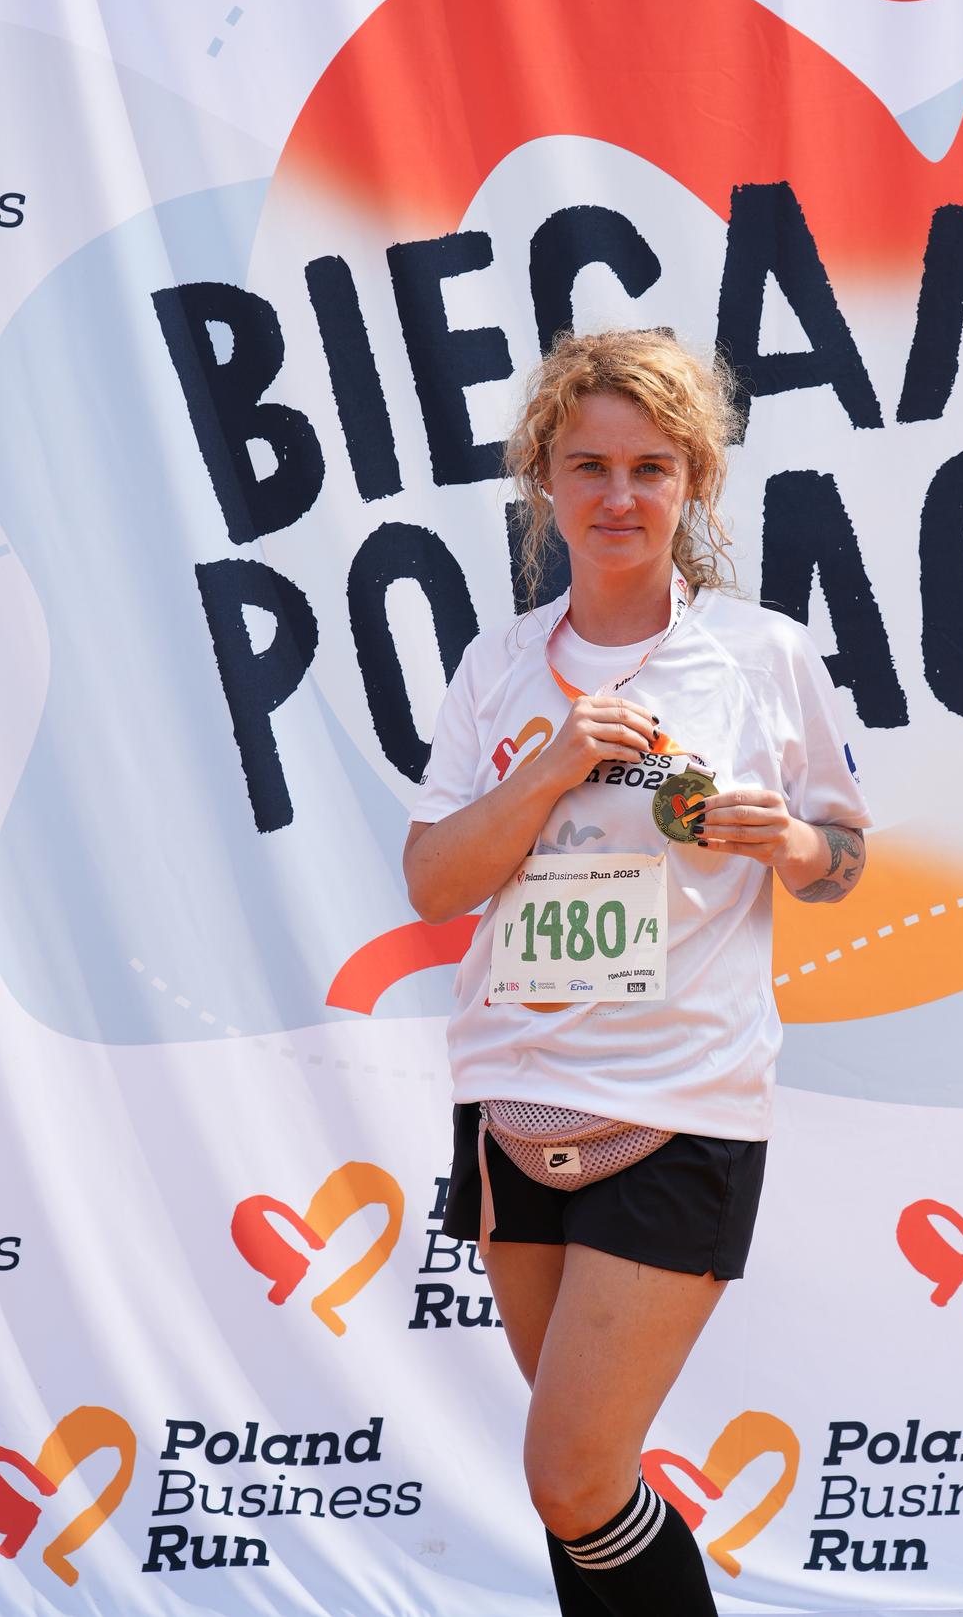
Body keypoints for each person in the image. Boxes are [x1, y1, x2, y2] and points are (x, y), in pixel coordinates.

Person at [403, 329, 869, 1616]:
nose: (618, 496)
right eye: (589, 466)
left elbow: (839, 860)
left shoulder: (764, 655)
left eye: (650, 468)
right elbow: (433, 881)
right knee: (579, 1487)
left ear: (694, 482)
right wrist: (553, 763)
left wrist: (787, 842)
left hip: (678, 1101)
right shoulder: (498, 665)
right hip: (512, 1095)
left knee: (569, 1471)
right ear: (543, 481)